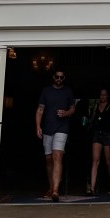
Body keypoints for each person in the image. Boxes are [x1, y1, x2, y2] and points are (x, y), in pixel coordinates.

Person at [36, 69, 75, 201]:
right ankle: (51, 186)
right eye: (57, 77)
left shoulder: (68, 91)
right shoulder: (46, 91)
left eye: (61, 77)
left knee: (57, 156)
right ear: (53, 77)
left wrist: (66, 113)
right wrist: (38, 126)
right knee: (49, 159)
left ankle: (55, 190)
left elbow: (73, 108)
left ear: (64, 78)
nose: (59, 79)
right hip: (47, 128)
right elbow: (40, 110)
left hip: (62, 128)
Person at [88, 88, 110, 196]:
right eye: (101, 95)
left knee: (109, 162)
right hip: (97, 134)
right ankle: (92, 187)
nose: (103, 97)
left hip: (107, 135)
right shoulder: (96, 106)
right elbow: (92, 120)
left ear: (108, 96)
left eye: (104, 95)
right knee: (95, 160)